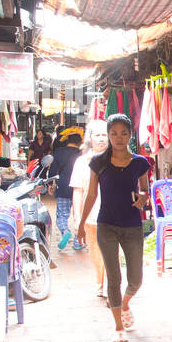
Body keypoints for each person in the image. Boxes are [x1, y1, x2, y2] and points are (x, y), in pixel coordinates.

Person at [76, 113, 151, 342]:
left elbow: (144, 190)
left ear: (130, 135)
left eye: (124, 133)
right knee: (113, 277)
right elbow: (91, 194)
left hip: (132, 225)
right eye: (114, 133)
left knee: (136, 279)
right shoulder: (98, 162)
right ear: (108, 135)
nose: (119, 138)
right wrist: (80, 224)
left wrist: (141, 200)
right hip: (106, 224)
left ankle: (125, 303)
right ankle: (118, 327)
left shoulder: (140, 162)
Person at [70, 120, 109, 298]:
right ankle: (100, 281)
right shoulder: (82, 162)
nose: (101, 139)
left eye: (104, 135)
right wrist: (78, 219)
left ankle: (110, 286)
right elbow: (78, 191)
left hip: (112, 216)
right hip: (91, 216)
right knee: (95, 252)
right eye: (97, 135)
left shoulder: (117, 158)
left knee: (111, 252)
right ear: (90, 138)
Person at [51, 129, 84, 251]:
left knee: (62, 215)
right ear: (80, 142)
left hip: (63, 186)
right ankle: (77, 242)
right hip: (80, 188)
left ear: (67, 141)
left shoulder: (59, 152)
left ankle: (65, 231)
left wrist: (51, 184)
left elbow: (53, 170)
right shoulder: (82, 154)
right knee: (79, 215)